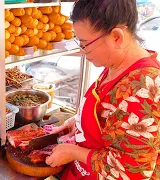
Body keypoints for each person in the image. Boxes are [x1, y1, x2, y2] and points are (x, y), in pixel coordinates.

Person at [45, 0, 160, 179]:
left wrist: (74, 152)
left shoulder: (142, 88)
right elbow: (111, 116)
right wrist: (79, 122)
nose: (83, 51)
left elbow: (131, 172)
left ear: (116, 37)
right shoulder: (117, 64)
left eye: (85, 44)